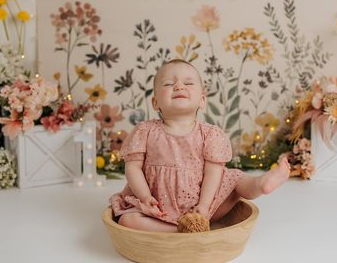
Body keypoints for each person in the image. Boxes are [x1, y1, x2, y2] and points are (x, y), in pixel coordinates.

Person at [110, 59, 290, 232]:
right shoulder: (145, 131)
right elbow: (132, 168)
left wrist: (203, 207)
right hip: (157, 207)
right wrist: (144, 197)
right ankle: (179, 231)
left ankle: (259, 184)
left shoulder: (210, 134)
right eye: (168, 84)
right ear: (155, 102)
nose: (179, 86)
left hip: (202, 206)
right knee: (127, 220)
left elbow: (213, 173)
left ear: (202, 100)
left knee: (235, 179)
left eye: (188, 83)